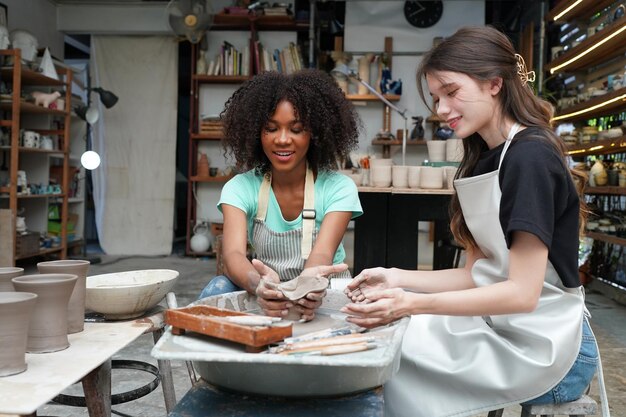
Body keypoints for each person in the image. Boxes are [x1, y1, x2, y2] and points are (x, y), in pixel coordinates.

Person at [341, 26, 604, 417]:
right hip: (503, 329)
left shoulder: (530, 158)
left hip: (547, 348)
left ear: (494, 83)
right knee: (381, 340)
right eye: (436, 97)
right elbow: (477, 275)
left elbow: (521, 294)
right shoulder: (484, 158)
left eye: (451, 92)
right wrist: (395, 276)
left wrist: (411, 305)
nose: (441, 109)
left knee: (388, 354)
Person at [199, 69, 363, 322]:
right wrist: (259, 285)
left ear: (315, 134)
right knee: (217, 288)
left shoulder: (338, 188)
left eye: (296, 129)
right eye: (271, 128)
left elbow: (321, 255)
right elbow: (233, 255)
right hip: (269, 296)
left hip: (321, 293)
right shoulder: (240, 188)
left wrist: (307, 289)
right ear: (255, 132)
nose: (283, 139)